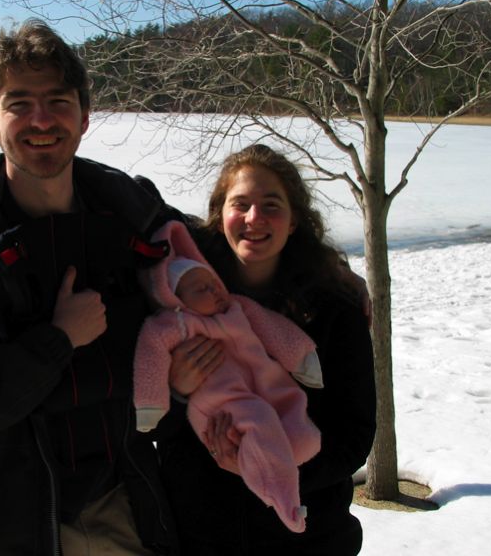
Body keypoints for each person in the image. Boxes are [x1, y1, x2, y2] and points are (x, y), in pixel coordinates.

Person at [0, 19, 181, 556]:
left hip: (123, 504)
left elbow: (228, 254)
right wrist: (56, 341)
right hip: (10, 518)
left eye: (57, 100)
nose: (41, 119)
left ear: (84, 115)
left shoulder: (129, 217)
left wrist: (325, 276)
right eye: (19, 103)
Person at [158, 144, 377, 555]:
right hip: (199, 532)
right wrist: (176, 391)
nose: (254, 219)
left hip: (306, 536)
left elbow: (354, 433)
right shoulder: (182, 297)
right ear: (220, 213)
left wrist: (272, 469)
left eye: (271, 205)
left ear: (294, 220)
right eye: (240, 204)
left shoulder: (333, 309)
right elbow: (147, 420)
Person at [133, 220, 323, 533]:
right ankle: (283, 499)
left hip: (266, 388)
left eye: (214, 283)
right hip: (221, 405)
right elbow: (150, 356)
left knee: (303, 434)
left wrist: (301, 356)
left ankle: (273, 470)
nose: (214, 291)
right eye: (200, 289)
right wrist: (151, 405)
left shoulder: (238, 307)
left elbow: (272, 328)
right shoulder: (173, 326)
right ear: (176, 297)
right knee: (259, 417)